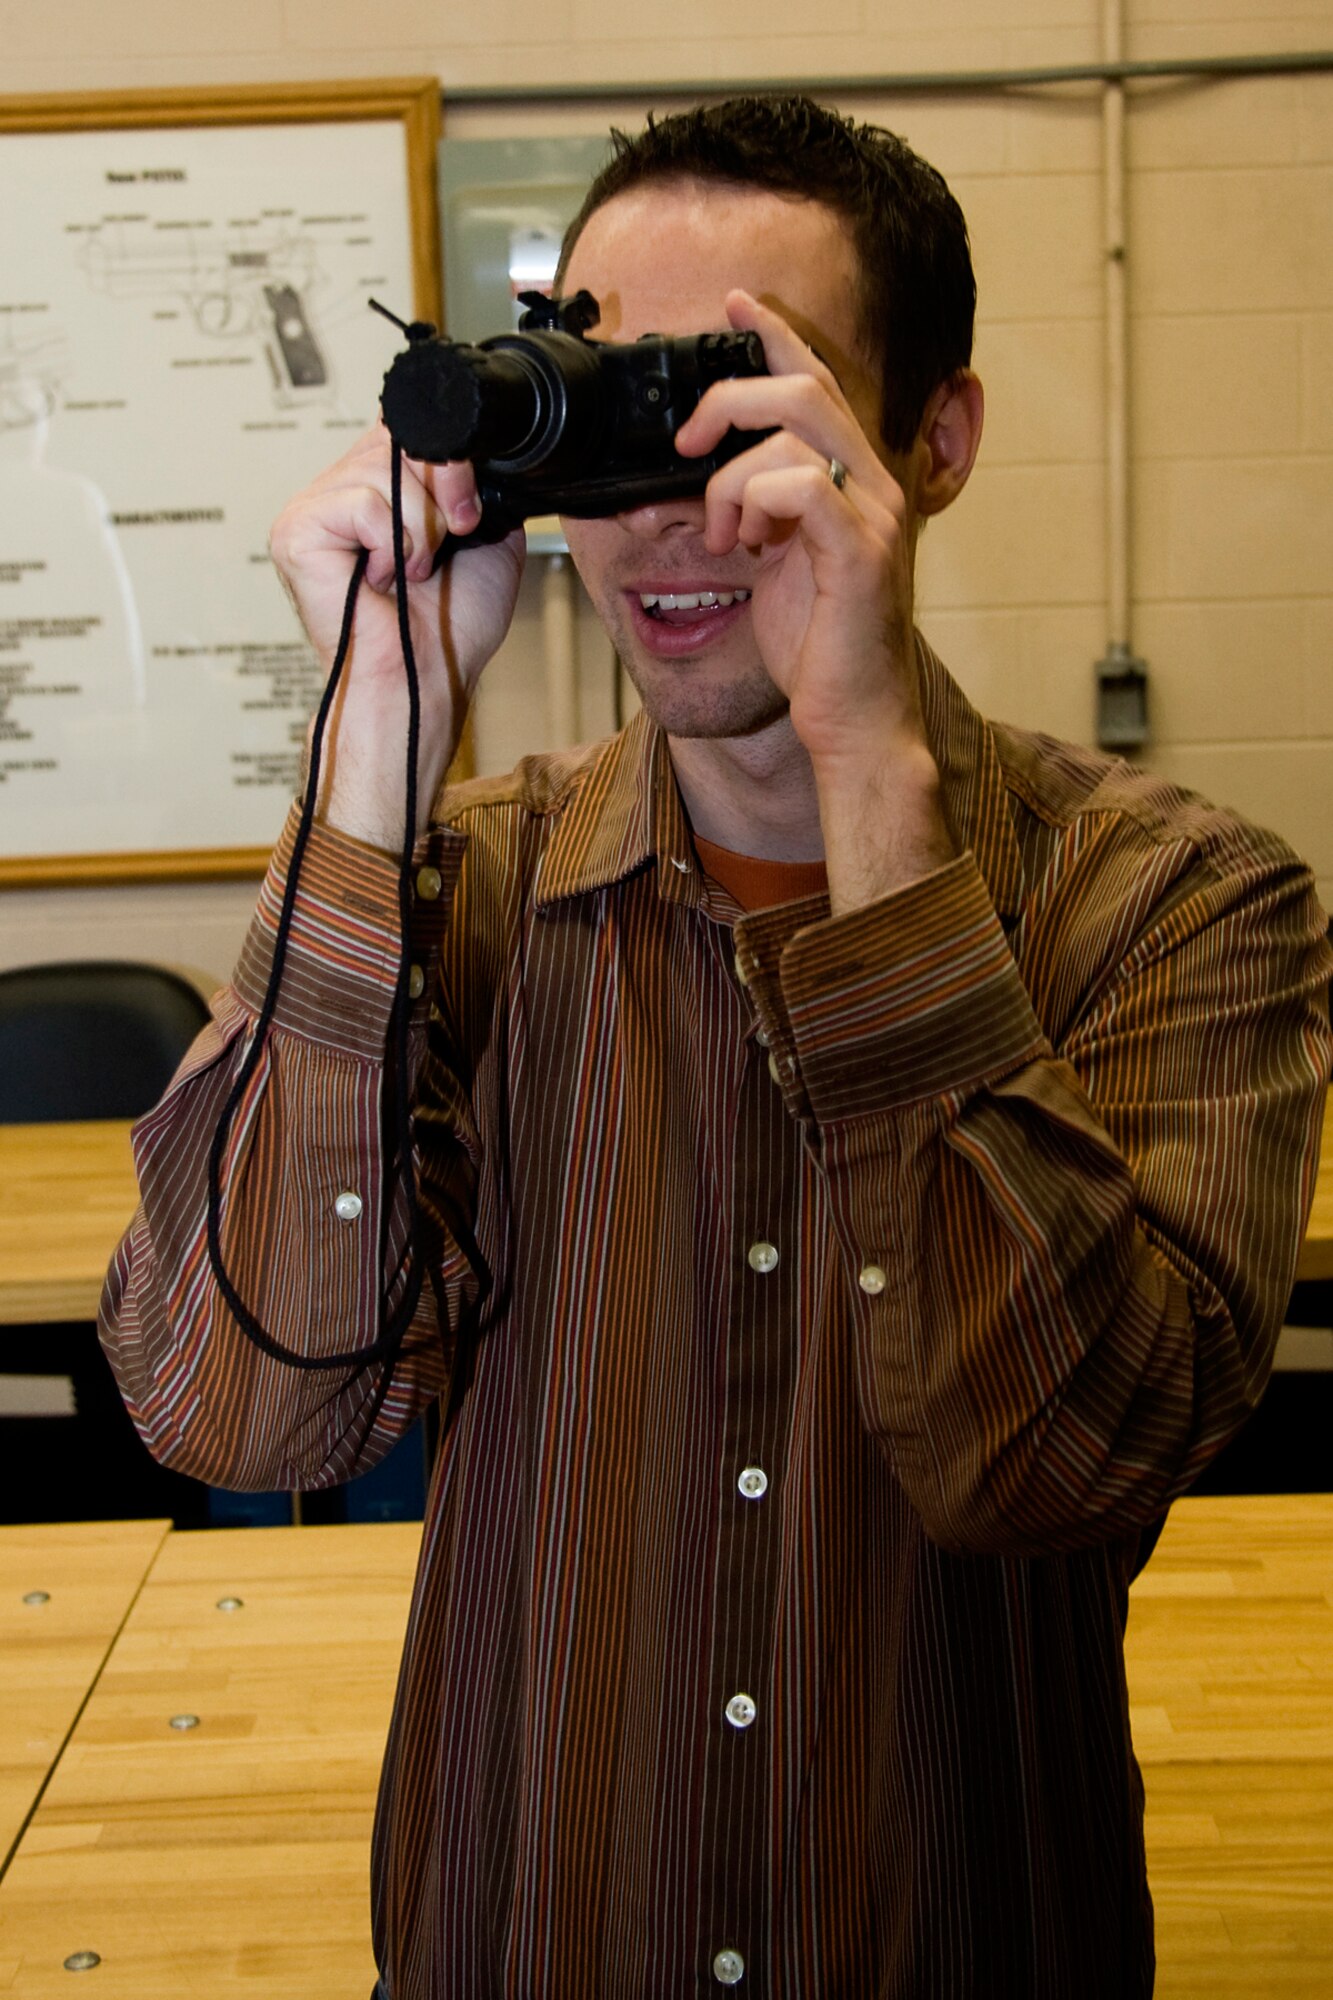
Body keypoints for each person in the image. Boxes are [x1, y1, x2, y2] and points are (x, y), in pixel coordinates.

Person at [100, 96, 1331, 1999]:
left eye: (735, 406)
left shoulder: (1177, 909)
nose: (665, 512)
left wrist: (867, 781)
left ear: (932, 440)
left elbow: (1047, 1464)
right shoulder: (471, 890)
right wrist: (376, 735)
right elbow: (242, 1414)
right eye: (607, 408)